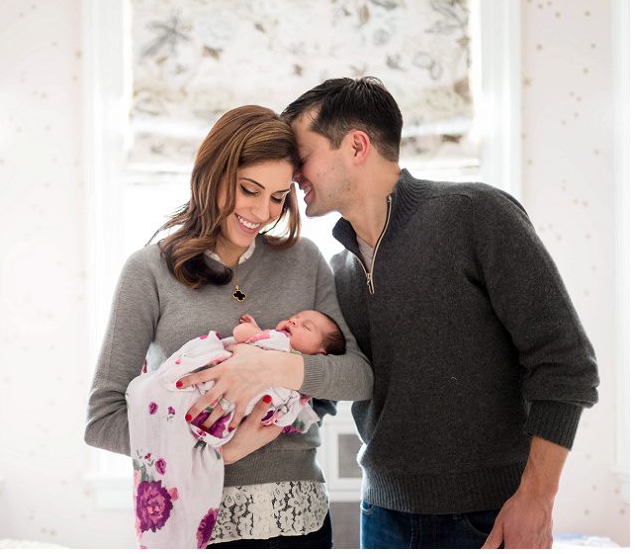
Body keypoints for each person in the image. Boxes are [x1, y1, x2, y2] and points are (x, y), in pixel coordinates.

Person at [278, 76, 600, 549]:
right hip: (382, 517)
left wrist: (536, 499)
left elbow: (567, 364)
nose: (292, 176)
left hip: (489, 517)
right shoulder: (336, 271)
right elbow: (326, 386)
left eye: (301, 157)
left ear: (356, 145)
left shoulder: (476, 214)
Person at [84, 105, 373, 548]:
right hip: (201, 526)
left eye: (278, 197)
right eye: (248, 189)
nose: (262, 211)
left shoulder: (304, 261)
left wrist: (266, 369)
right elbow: (102, 420)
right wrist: (218, 451)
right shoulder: (149, 272)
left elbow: (357, 376)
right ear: (212, 174)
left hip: (299, 523)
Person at [125, 310, 346, 548]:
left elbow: (243, 335)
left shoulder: (290, 354)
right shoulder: (279, 346)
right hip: (232, 515)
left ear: (321, 354)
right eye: (296, 317)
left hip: (300, 512)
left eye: (307, 326)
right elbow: (245, 338)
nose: (295, 321)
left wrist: (254, 332)